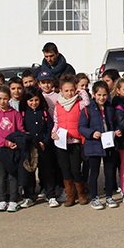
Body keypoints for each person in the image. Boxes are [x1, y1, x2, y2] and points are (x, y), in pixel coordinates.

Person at [79, 81, 121, 210]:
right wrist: (92, 133)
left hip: (109, 143)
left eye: (104, 95)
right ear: (93, 94)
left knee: (109, 172)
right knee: (94, 172)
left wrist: (117, 131)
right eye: (99, 95)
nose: (101, 98)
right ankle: (94, 198)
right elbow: (81, 127)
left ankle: (109, 196)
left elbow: (115, 123)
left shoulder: (110, 108)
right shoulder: (87, 109)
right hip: (94, 145)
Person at [52, 75, 90, 207]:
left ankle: (81, 194)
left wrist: (82, 92)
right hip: (62, 143)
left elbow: (87, 103)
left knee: (75, 169)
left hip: (74, 142)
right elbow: (56, 122)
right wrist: (53, 133)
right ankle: (70, 196)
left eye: (71, 90)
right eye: (66, 91)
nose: (69, 93)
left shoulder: (78, 104)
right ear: (61, 91)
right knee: (65, 169)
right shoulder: (58, 106)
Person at [0, 84, 25, 212]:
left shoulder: (15, 114)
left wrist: (15, 143)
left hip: (13, 149)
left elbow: (20, 130)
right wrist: (4, 143)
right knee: (1, 176)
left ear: (9, 99)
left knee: (12, 175)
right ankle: (2, 199)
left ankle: (13, 199)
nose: (2, 101)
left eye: (5, 99)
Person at [21, 86, 58, 207]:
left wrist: (45, 141)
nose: (33, 103)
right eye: (30, 100)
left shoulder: (44, 113)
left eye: (36, 100)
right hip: (30, 148)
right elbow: (21, 130)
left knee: (47, 171)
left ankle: (51, 195)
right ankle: (29, 196)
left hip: (44, 146)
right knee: (29, 172)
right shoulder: (22, 114)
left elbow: (49, 128)